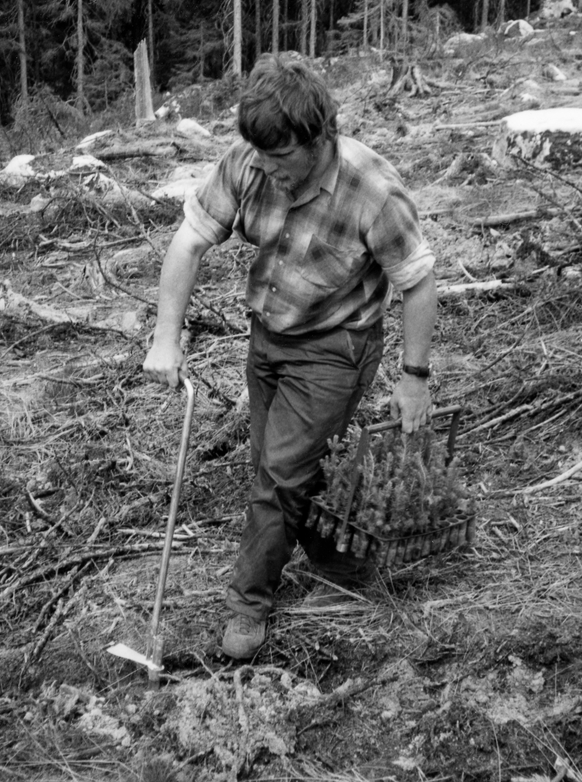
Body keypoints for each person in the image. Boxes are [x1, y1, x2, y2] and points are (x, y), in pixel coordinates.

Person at [143, 53, 437, 659]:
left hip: (337, 347)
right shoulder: (250, 160)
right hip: (269, 335)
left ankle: (247, 605)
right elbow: (189, 241)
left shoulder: (372, 191)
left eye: (281, 158)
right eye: (261, 155)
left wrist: (413, 377)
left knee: (278, 476)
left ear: (320, 136)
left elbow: (418, 282)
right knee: (278, 467)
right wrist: (165, 337)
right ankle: (349, 563)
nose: (267, 168)